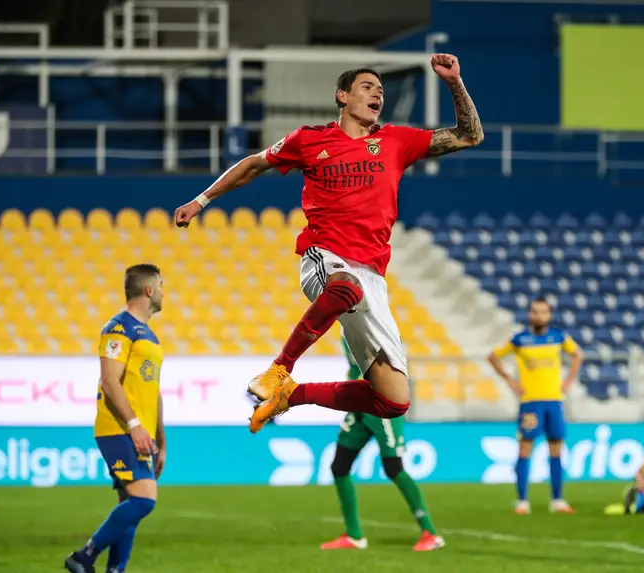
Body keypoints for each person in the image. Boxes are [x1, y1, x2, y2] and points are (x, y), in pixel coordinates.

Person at [174, 54, 484, 434]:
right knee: (345, 286)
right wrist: (201, 200)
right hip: (326, 257)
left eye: (381, 91)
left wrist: (455, 82)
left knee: (394, 400)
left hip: (372, 275)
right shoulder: (309, 140)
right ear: (343, 96)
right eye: (368, 87)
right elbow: (254, 164)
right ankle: (279, 368)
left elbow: (470, 135)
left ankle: (291, 395)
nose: (378, 95)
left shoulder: (396, 142)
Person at [65, 264, 166, 573]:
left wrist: (161, 441)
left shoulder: (149, 336)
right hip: (118, 428)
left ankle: (115, 570)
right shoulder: (118, 329)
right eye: (161, 285)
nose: (164, 292)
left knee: (130, 505)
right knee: (144, 500)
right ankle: (84, 555)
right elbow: (109, 381)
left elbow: (154, 392)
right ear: (149, 290)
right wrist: (135, 426)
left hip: (140, 433)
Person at [321, 334, 444, 552]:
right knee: (339, 466)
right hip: (359, 402)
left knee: (394, 468)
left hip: (382, 402)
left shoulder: (374, 326)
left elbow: (387, 364)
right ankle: (354, 535)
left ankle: (430, 533)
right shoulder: (347, 327)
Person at [487, 297, 583, 515]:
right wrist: (509, 380)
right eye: (535, 312)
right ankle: (522, 501)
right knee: (525, 448)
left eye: (543, 312)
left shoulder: (558, 337)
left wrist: (568, 382)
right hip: (530, 402)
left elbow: (578, 354)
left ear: (549, 315)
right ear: (530, 314)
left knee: (556, 449)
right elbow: (493, 356)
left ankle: (557, 500)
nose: (538, 316)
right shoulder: (520, 339)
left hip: (554, 401)